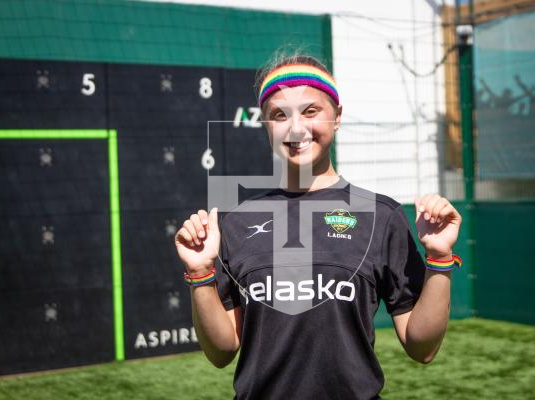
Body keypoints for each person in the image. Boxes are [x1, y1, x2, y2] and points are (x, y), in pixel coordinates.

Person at [174, 52, 462, 400]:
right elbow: (221, 352)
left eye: (311, 111)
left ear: (337, 117)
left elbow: (422, 348)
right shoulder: (235, 222)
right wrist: (200, 272)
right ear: (266, 125)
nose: (296, 127)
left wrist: (440, 256)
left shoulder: (380, 216)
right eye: (279, 115)